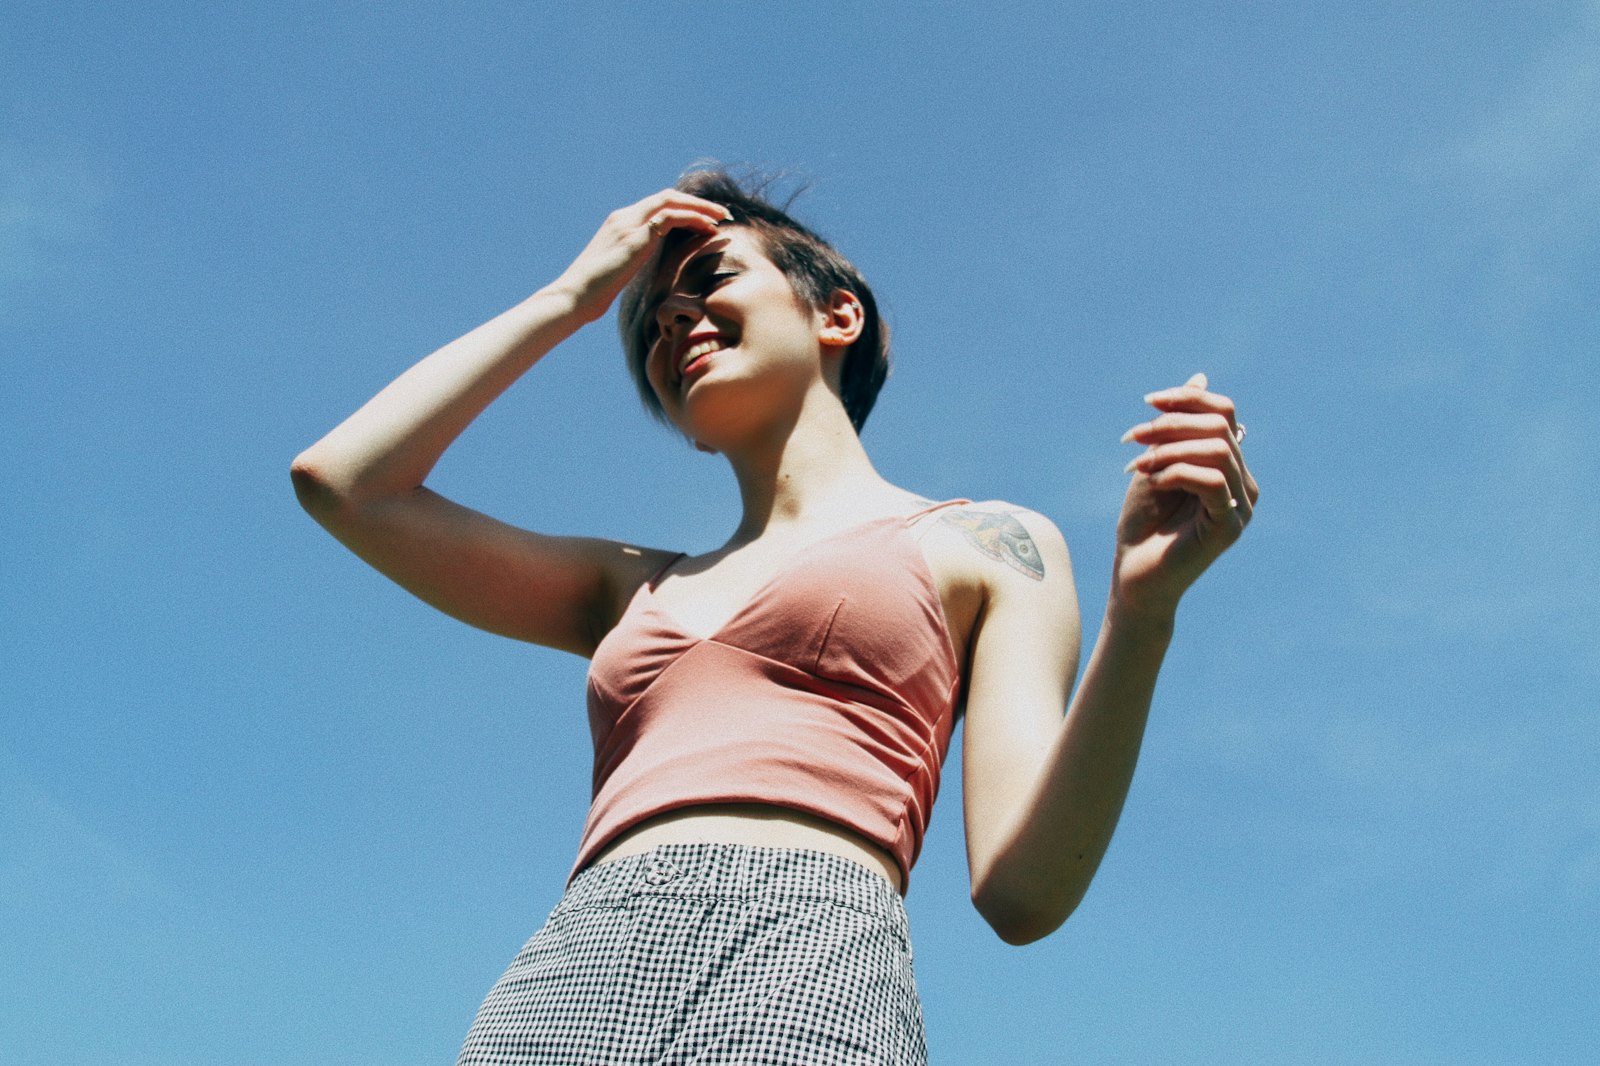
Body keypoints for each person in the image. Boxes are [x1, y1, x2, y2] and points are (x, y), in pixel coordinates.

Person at [291, 168, 1258, 1065]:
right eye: (652, 325)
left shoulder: (986, 541)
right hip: (571, 970)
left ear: (838, 314)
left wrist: (1144, 613)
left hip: (812, 953)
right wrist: (574, 296)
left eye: (709, 279)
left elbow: (1022, 890)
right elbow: (347, 486)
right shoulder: (630, 588)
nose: (673, 320)